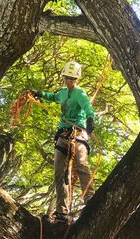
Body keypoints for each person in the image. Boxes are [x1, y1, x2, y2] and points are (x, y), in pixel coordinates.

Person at [30, 61, 95, 223]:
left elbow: (88, 108)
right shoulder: (63, 92)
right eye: (67, 78)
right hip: (62, 135)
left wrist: (90, 121)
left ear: (77, 79)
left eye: (72, 79)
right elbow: (53, 97)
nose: (69, 81)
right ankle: (62, 210)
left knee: (81, 165)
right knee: (59, 172)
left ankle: (90, 199)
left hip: (78, 133)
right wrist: (39, 93)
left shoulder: (80, 94)